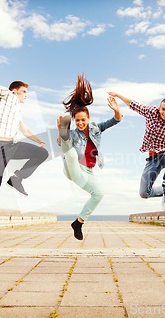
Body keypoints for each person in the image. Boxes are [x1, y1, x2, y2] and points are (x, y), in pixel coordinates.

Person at [0, 52, 49, 200]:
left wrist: (40, 142)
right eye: (24, 92)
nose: (26, 95)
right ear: (14, 91)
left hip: (13, 146)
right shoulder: (6, 95)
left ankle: (16, 178)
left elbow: (25, 130)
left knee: (42, 153)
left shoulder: (17, 111)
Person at [57, 74, 122, 240]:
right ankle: (63, 132)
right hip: (73, 168)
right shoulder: (74, 133)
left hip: (87, 172)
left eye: (82, 120)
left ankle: (78, 222)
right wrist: (62, 133)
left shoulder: (96, 129)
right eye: (77, 120)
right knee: (69, 152)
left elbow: (115, 120)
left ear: (88, 118)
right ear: (74, 120)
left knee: (99, 193)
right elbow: (60, 144)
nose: (80, 123)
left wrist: (116, 110)